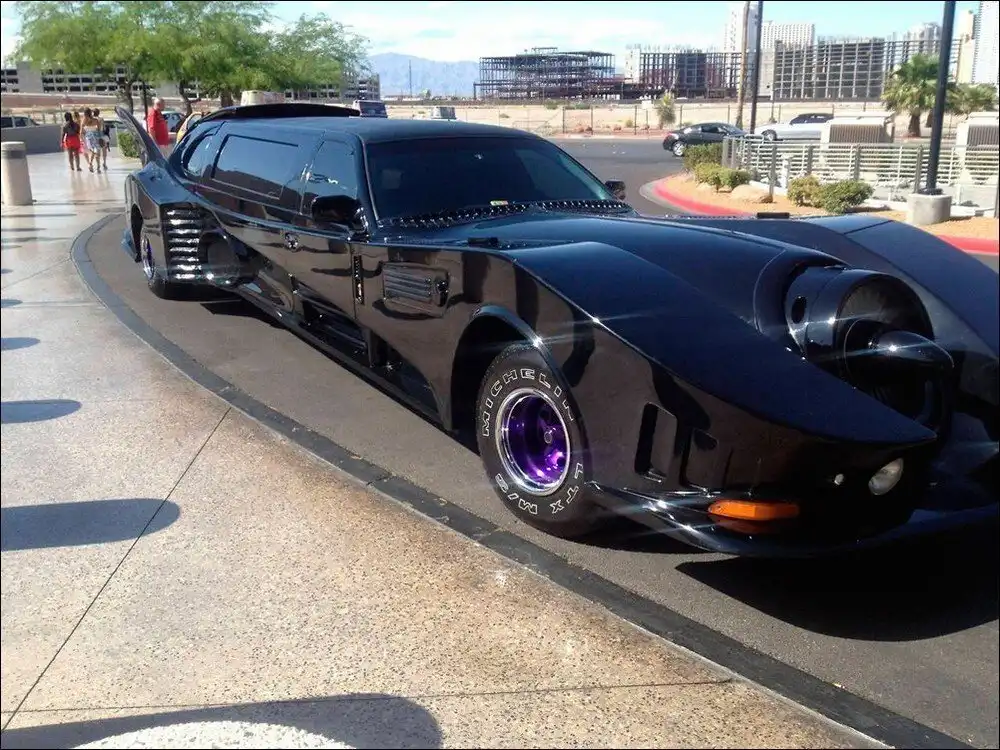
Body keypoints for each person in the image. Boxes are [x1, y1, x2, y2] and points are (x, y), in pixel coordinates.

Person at [80, 107, 103, 173]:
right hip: (96, 137)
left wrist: (82, 140)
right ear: (90, 112)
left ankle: (91, 164)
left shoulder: (83, 121)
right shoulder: (96, 120)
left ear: (85, 113)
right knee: (97, 153)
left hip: (88, 138)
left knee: (93, 152)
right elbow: (99, 130)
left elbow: (81, 132)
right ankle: (98, 167)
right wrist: (100, 138)